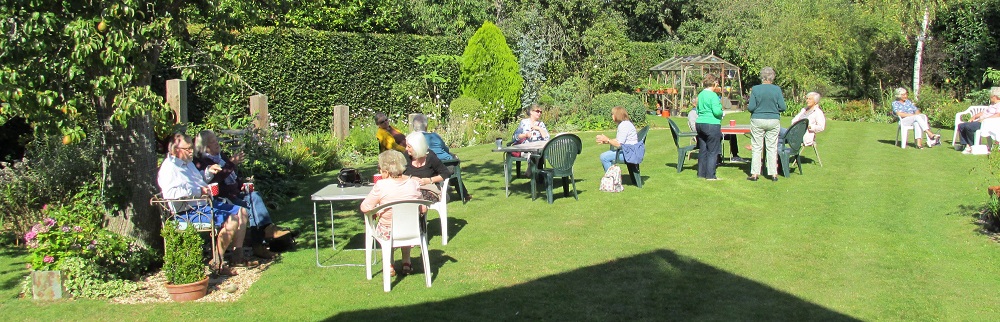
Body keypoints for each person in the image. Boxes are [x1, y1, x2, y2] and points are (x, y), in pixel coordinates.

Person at [157, 133, 252, 276]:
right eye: (188, 148)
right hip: (188, 212)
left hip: (204, 204)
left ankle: (236, 256)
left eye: (191, 148)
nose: (191, 152)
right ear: (176, 150)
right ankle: (217, 262)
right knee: (232, 220)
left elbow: (198, 180)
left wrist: (208, 172)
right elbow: (170, 194)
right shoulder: (169, 168)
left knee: (242, 212)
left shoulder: (187, 163)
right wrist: (198, 191)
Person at [193, 130, 294, 259]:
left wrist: (241, 184)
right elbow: (215, 181)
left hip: (235, 193)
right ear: (205, 146)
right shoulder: (203, 162)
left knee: (255, 196)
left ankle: (268, 228)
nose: (217, 144)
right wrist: (231, 163)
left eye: (217, 140)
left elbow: (232, 175)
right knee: (247, 208)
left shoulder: (220, 156)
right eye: (213, 142)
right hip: (223, 198)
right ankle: (259, 246)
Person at [360, 150, 423, 276]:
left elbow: (365, 207)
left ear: (385, 170)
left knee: (386, 224)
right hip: (412, 230)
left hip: (388, 232)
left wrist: (378, 209)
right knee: (404, 222)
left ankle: (389, 264)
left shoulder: (381, 185)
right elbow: (423, 208)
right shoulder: (413, 183)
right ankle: (406, 262)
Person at [409, 113, 472, 202]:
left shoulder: (412, 140)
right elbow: (446, 149)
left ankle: (448, 191)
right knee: (453, 162)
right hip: (447, 164)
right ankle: (464, 194)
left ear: (413, 127)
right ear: (426, 126)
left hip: (431, 166)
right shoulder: (434, 136)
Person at [747, 67, 787, 182]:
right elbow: (783, 107)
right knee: (772, 147)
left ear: (762, 77)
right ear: (772, 77)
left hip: (758, 119)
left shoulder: (755, 89)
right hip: (773, 120)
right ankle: (773, 173)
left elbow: (751, 107)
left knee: (757, 147)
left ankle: (755, 173)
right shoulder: (777, 89)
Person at [689, 95, 746, 163]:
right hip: (702, 134)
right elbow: (694, 127)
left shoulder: (703, 111)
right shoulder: (692, 113)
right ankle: (718, 157)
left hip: (710, 130)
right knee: (716, 135)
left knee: (731, 134)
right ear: (694, 104)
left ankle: (735, 155)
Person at [402, 132, 452, 203]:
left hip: (428, 190)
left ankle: (419, 212)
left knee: (418, 199)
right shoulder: (406, 156)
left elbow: (446, 173)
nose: (406, 148)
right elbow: (398, 174)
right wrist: (410, 178)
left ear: (417, 147)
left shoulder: (430, 157)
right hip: (410, 189)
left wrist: (429, 180)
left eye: (409, 146)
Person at [597, 106, 643, 172]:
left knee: (604, 157)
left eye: (612, 114)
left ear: (617, 115)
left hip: (630, 154)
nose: (612, 116)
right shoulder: (625, 124)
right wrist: (606, 141)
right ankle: (612, 176)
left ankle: (612, 178)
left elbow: (619, 144)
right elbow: (619, 140)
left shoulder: (624, 126)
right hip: (630, 151)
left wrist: (608, 140)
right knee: (605, 156)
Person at [695, 74, 724, 180]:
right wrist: (721, 113)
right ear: (715, 83)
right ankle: (711, 175)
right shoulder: (713, 96)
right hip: (711, 124)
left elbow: (697, 110)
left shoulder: (701, 94)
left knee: (703, 149)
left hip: (700, 123)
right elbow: (716, 112)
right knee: (712, 151)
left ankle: (701, 173)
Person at [956, 87, 1000, 154]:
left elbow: (998, 115)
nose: (990, 97)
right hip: (980, 121)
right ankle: (965, 145)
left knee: (969, 127)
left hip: (987, 124)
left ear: (995, 96)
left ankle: (972, 146)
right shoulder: (992, 105)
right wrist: (974, 116)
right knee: (961, 126)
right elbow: (983, 112)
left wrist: (985, 119)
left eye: (991, 96)